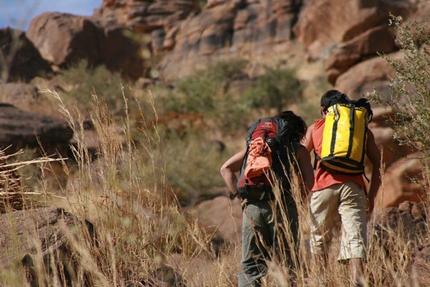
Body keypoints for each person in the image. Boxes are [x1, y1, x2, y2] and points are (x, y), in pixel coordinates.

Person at [220, 111, 314, 287]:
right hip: (283, 207)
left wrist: (241, 199)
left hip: (252, 207)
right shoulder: (298, 150)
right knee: (287, 263)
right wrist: (297, 200)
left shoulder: (256, 147)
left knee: (251, 265)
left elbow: (225, 169)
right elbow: (310, 181)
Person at [302, 90, 381, 287]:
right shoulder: (361, 127)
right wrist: (371, 198)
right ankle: (357, 281)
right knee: (355, 237)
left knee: (319, 237)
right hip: (353, 187)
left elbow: (300, 159)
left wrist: (303, 193)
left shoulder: (315, 127)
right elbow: (378, 165)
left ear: (324, 110)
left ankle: (320, 281)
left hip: (322, 187)